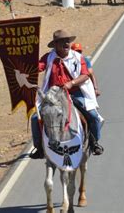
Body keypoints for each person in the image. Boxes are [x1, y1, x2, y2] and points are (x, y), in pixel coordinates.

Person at [29, 30, 104, 159]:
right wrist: (26, 65)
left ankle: (94, 142)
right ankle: (39, 148)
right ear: (56, 45)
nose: (67, 43)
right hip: (54, 95)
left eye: (68, 41)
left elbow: (85, 75)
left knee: (92, 116)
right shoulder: (48, 57)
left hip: (75, 92)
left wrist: (72, 83)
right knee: (36, 118)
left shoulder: (78, 57)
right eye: (63, 41)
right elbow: (37, 68)